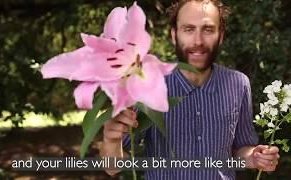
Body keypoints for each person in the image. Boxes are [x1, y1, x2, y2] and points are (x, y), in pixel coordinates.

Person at [100, 0, 280, 179]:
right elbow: (113, 167)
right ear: (174, 35)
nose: (198, 41)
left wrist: (255, 157)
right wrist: (111, 140)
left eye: (208, 29)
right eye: (188, 29)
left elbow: (241, 150)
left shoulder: (238, 84)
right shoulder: (146, 84)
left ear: (221, 35)